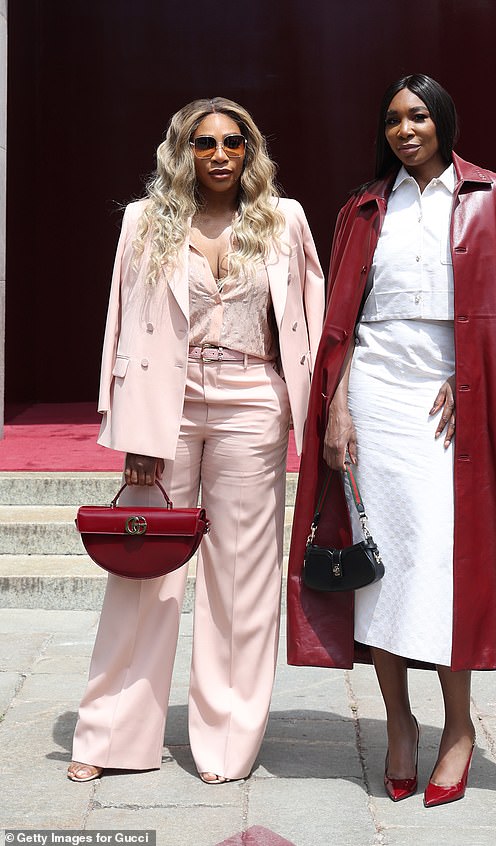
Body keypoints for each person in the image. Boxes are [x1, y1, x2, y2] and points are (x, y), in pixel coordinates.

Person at [286, 74, 496, 807]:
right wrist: (336, 406)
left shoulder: (495, 197)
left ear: (442, 119)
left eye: (417, 116)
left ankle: (459, 729)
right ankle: (399, 724)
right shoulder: (364, 206)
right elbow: (342, 320)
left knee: (443, 568)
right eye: (392, 120)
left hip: (452, 400)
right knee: (379, 568)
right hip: (374, 391)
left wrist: (487, 383)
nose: (404, 130)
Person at [68, 97, 324, 784]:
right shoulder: (144, 222)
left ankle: (226, 742)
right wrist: (129, 426)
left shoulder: (285, 219)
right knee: (145, 571)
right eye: (203, 142)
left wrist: (326, 418)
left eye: (232, 142)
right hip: (167, 406)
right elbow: (120, 327)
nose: (218, 154)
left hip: (253, 401)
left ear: (249, 151)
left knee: (241, 578)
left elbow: (311, 323)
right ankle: (110, 735)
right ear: (182, 150)